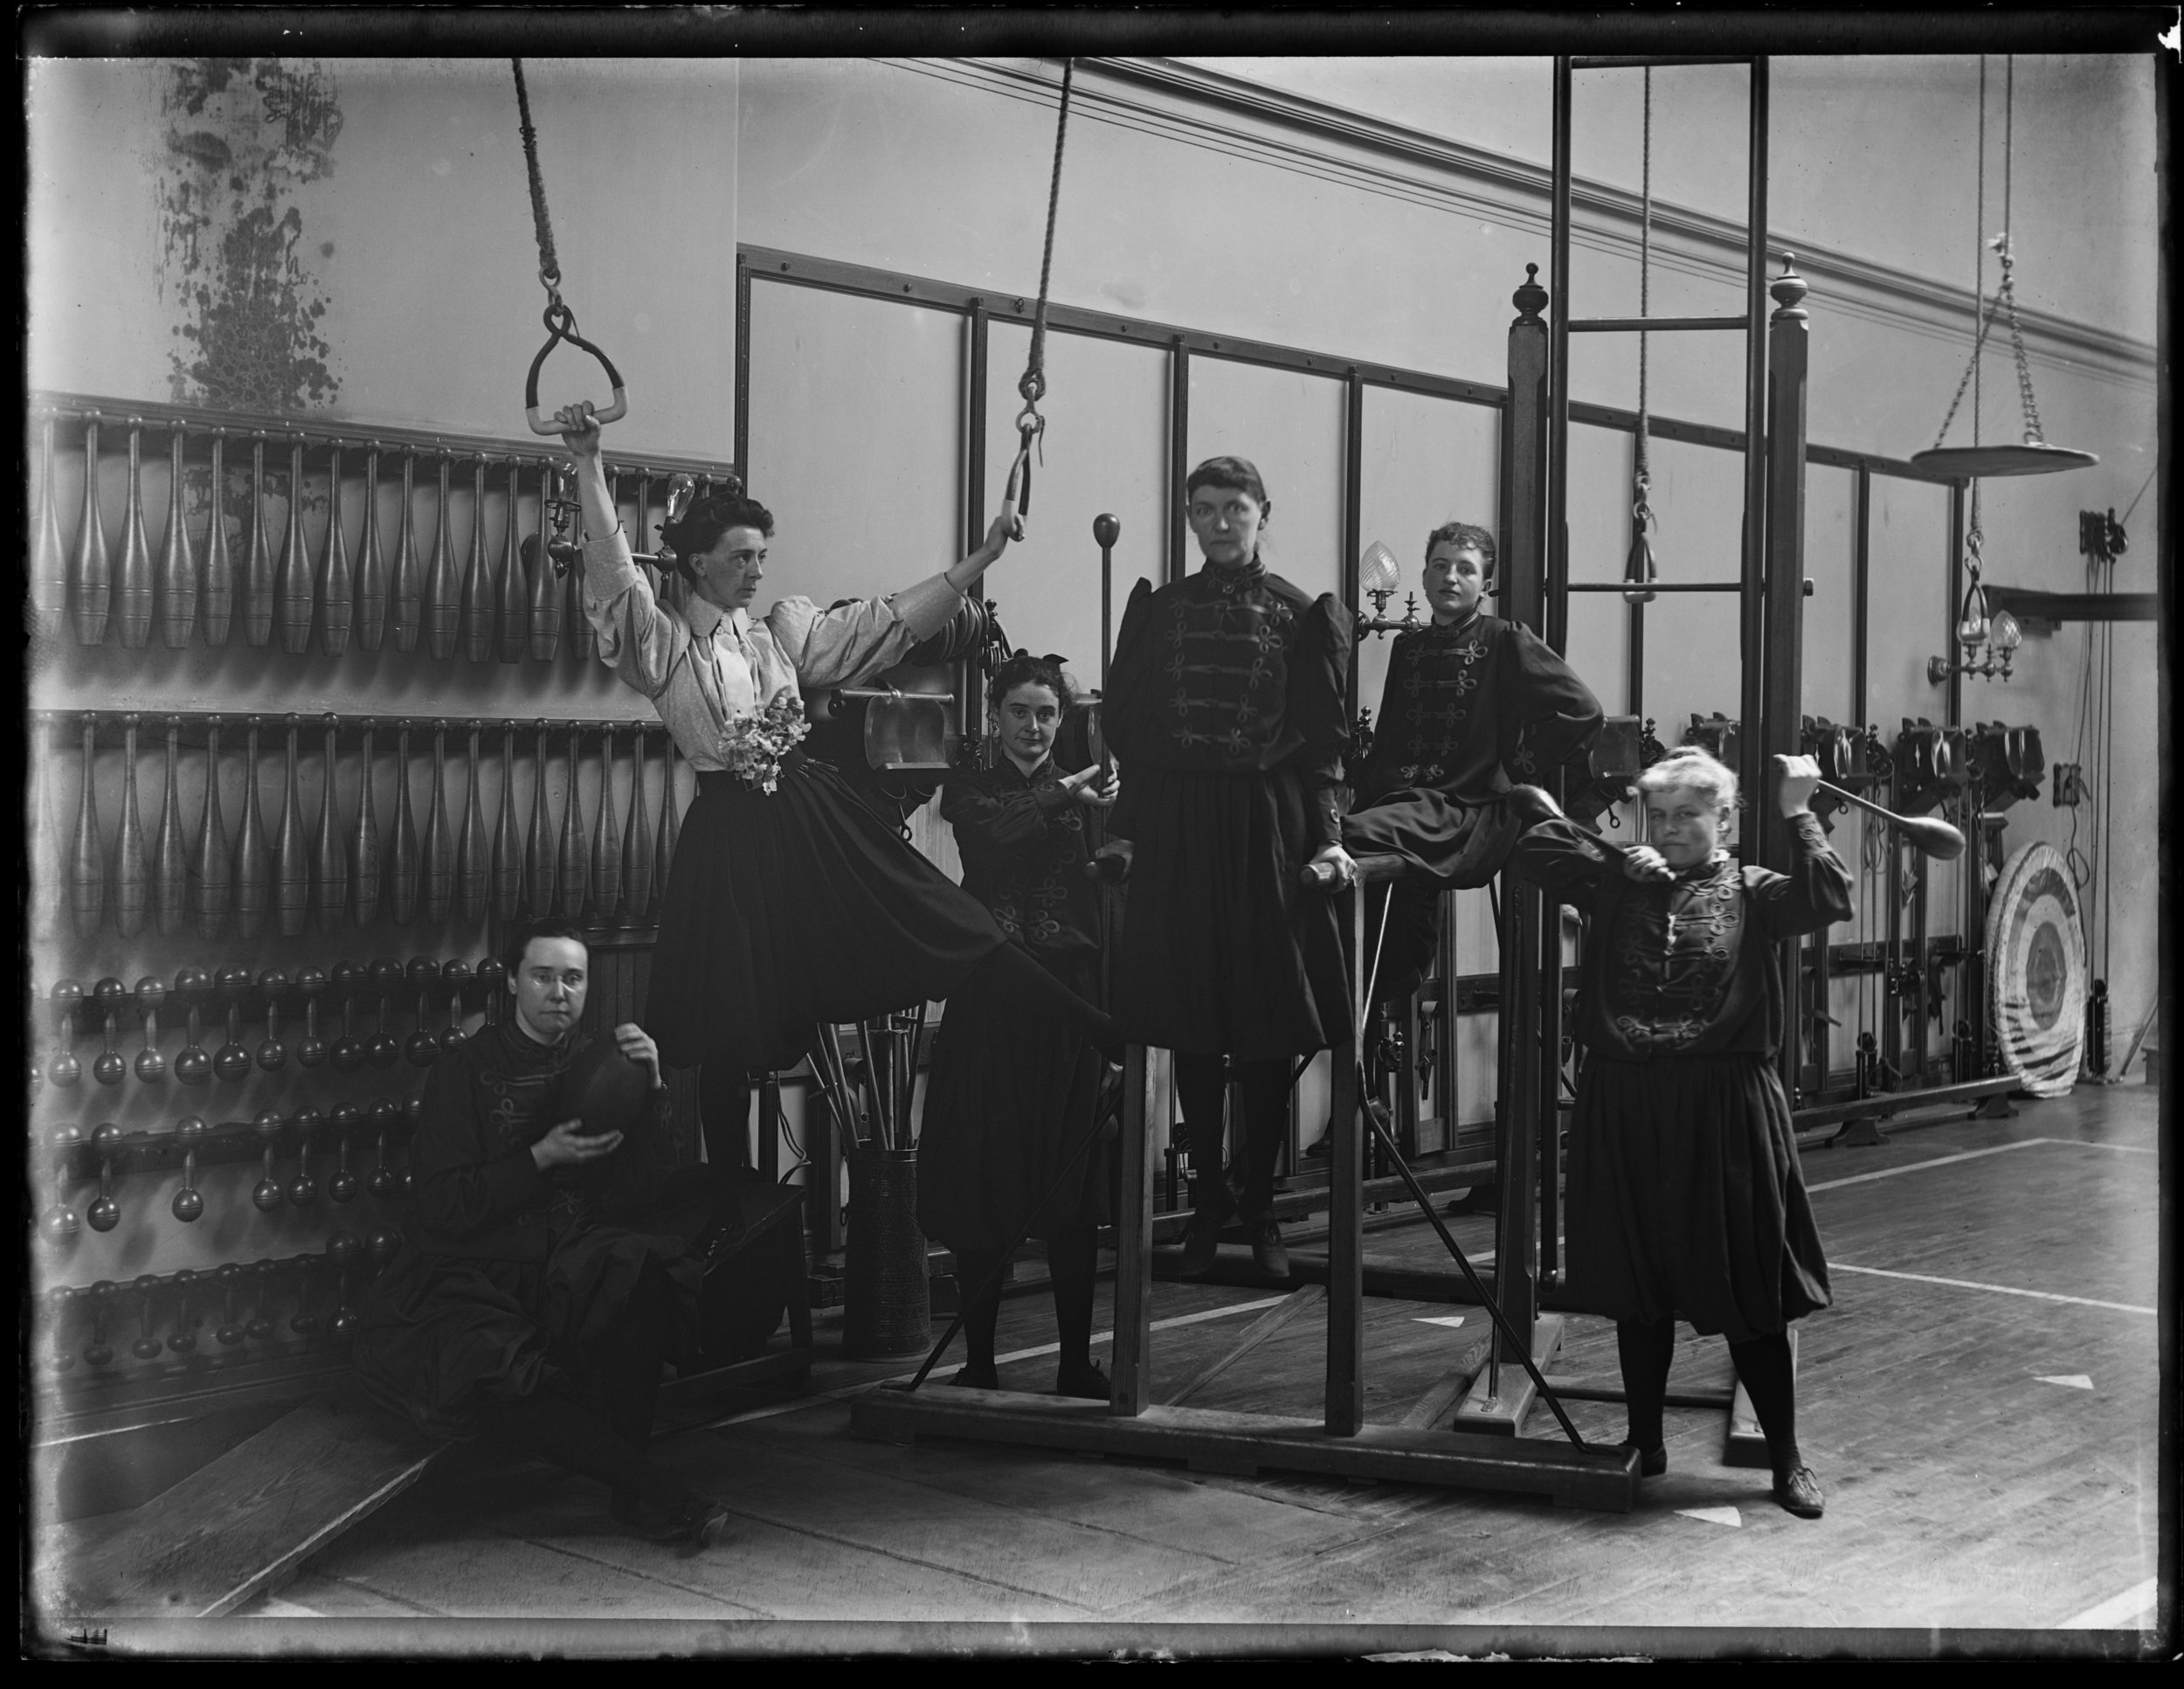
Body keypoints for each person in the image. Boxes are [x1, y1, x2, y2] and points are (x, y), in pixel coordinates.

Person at [550, 404, 1111, 1173]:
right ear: (698, 564)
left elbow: (885, 625)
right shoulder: (667, 648)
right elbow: (614, 583)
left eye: (761, 555)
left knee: (935, 908)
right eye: (742, 557)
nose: (757, 570)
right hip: (727, 843)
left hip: (808, 821)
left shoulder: (779, 633)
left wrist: (981, 558)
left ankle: (1090, 1022)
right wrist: (587, 464)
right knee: (729, 1029)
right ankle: (731, 1194)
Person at [1510, 748, 1848, 1519]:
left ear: (1723, 819)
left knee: (1750, 1288)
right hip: (1624, 1099)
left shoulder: (1756, 890)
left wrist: (1800, 811)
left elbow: (1827, 896)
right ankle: (1645, 1440)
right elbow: (1530, 845)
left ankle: (1787, 1457)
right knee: (1640, 1282)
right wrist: (1611, 854)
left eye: (1687, 815)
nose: (1670, 830)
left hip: (1724, 1105)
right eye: (1656, 816)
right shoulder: (1615, 882)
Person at [351, 919, 732, 1552]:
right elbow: (443, 1205)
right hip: (471, 1269)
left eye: (574, 978)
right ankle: (666, 1492)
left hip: (569, 1256)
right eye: (543, 975)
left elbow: (648, 1184)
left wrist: (654, 1083)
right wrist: (539, 1157)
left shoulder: (604, 1062)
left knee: (645, 1282)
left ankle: (633, 1495)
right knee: (494, 1373)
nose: (560, 991)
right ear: (511, 981)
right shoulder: (463, 1072)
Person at [1102, 456, 1354, 1279]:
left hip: (1263, 829)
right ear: (1189, 516)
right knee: (1192, 1022)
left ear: (1262, 512)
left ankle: (1260, 1206)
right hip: (1177, 828)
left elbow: (1323, 749)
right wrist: (1129, 831)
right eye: (1204, 509)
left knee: (1264, 1026)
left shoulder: (1300, 614)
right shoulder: (1161, 611)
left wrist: (1328, 838)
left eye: (1234, 508)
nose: (1219, 522)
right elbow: (1134, 741)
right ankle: (1207, 1204)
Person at [919, 653, 1120, 1396]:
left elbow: (1107, 891)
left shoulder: (1094, 792)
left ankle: (1074, 1362)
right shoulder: (971, 788)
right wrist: (1070, 790)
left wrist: (1110, 828)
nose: (1033, 727)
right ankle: (979, 1362)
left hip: (1066, 1003)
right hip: (994, 996)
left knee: (1071, 1184)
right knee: (986, 1184)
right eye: (1019, 712)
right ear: (994, 715)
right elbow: (997, 832)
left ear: (1060, 720)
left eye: (1046, 714)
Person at [1342, 520, 1603, 1007]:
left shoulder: (1506, 639)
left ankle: (1393, 975)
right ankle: (1380, 985)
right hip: (1405, 804)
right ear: (1423, 577)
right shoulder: (1409, 646)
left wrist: (1517, 769)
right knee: (1339, 837)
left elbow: (1584, 711)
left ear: (1485, 585)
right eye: (1440, 566)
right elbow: (1392, 735)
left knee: (1347, 836)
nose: (1451, 578)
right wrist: (1363, 800)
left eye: (1465, 569)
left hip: (1472, 808)